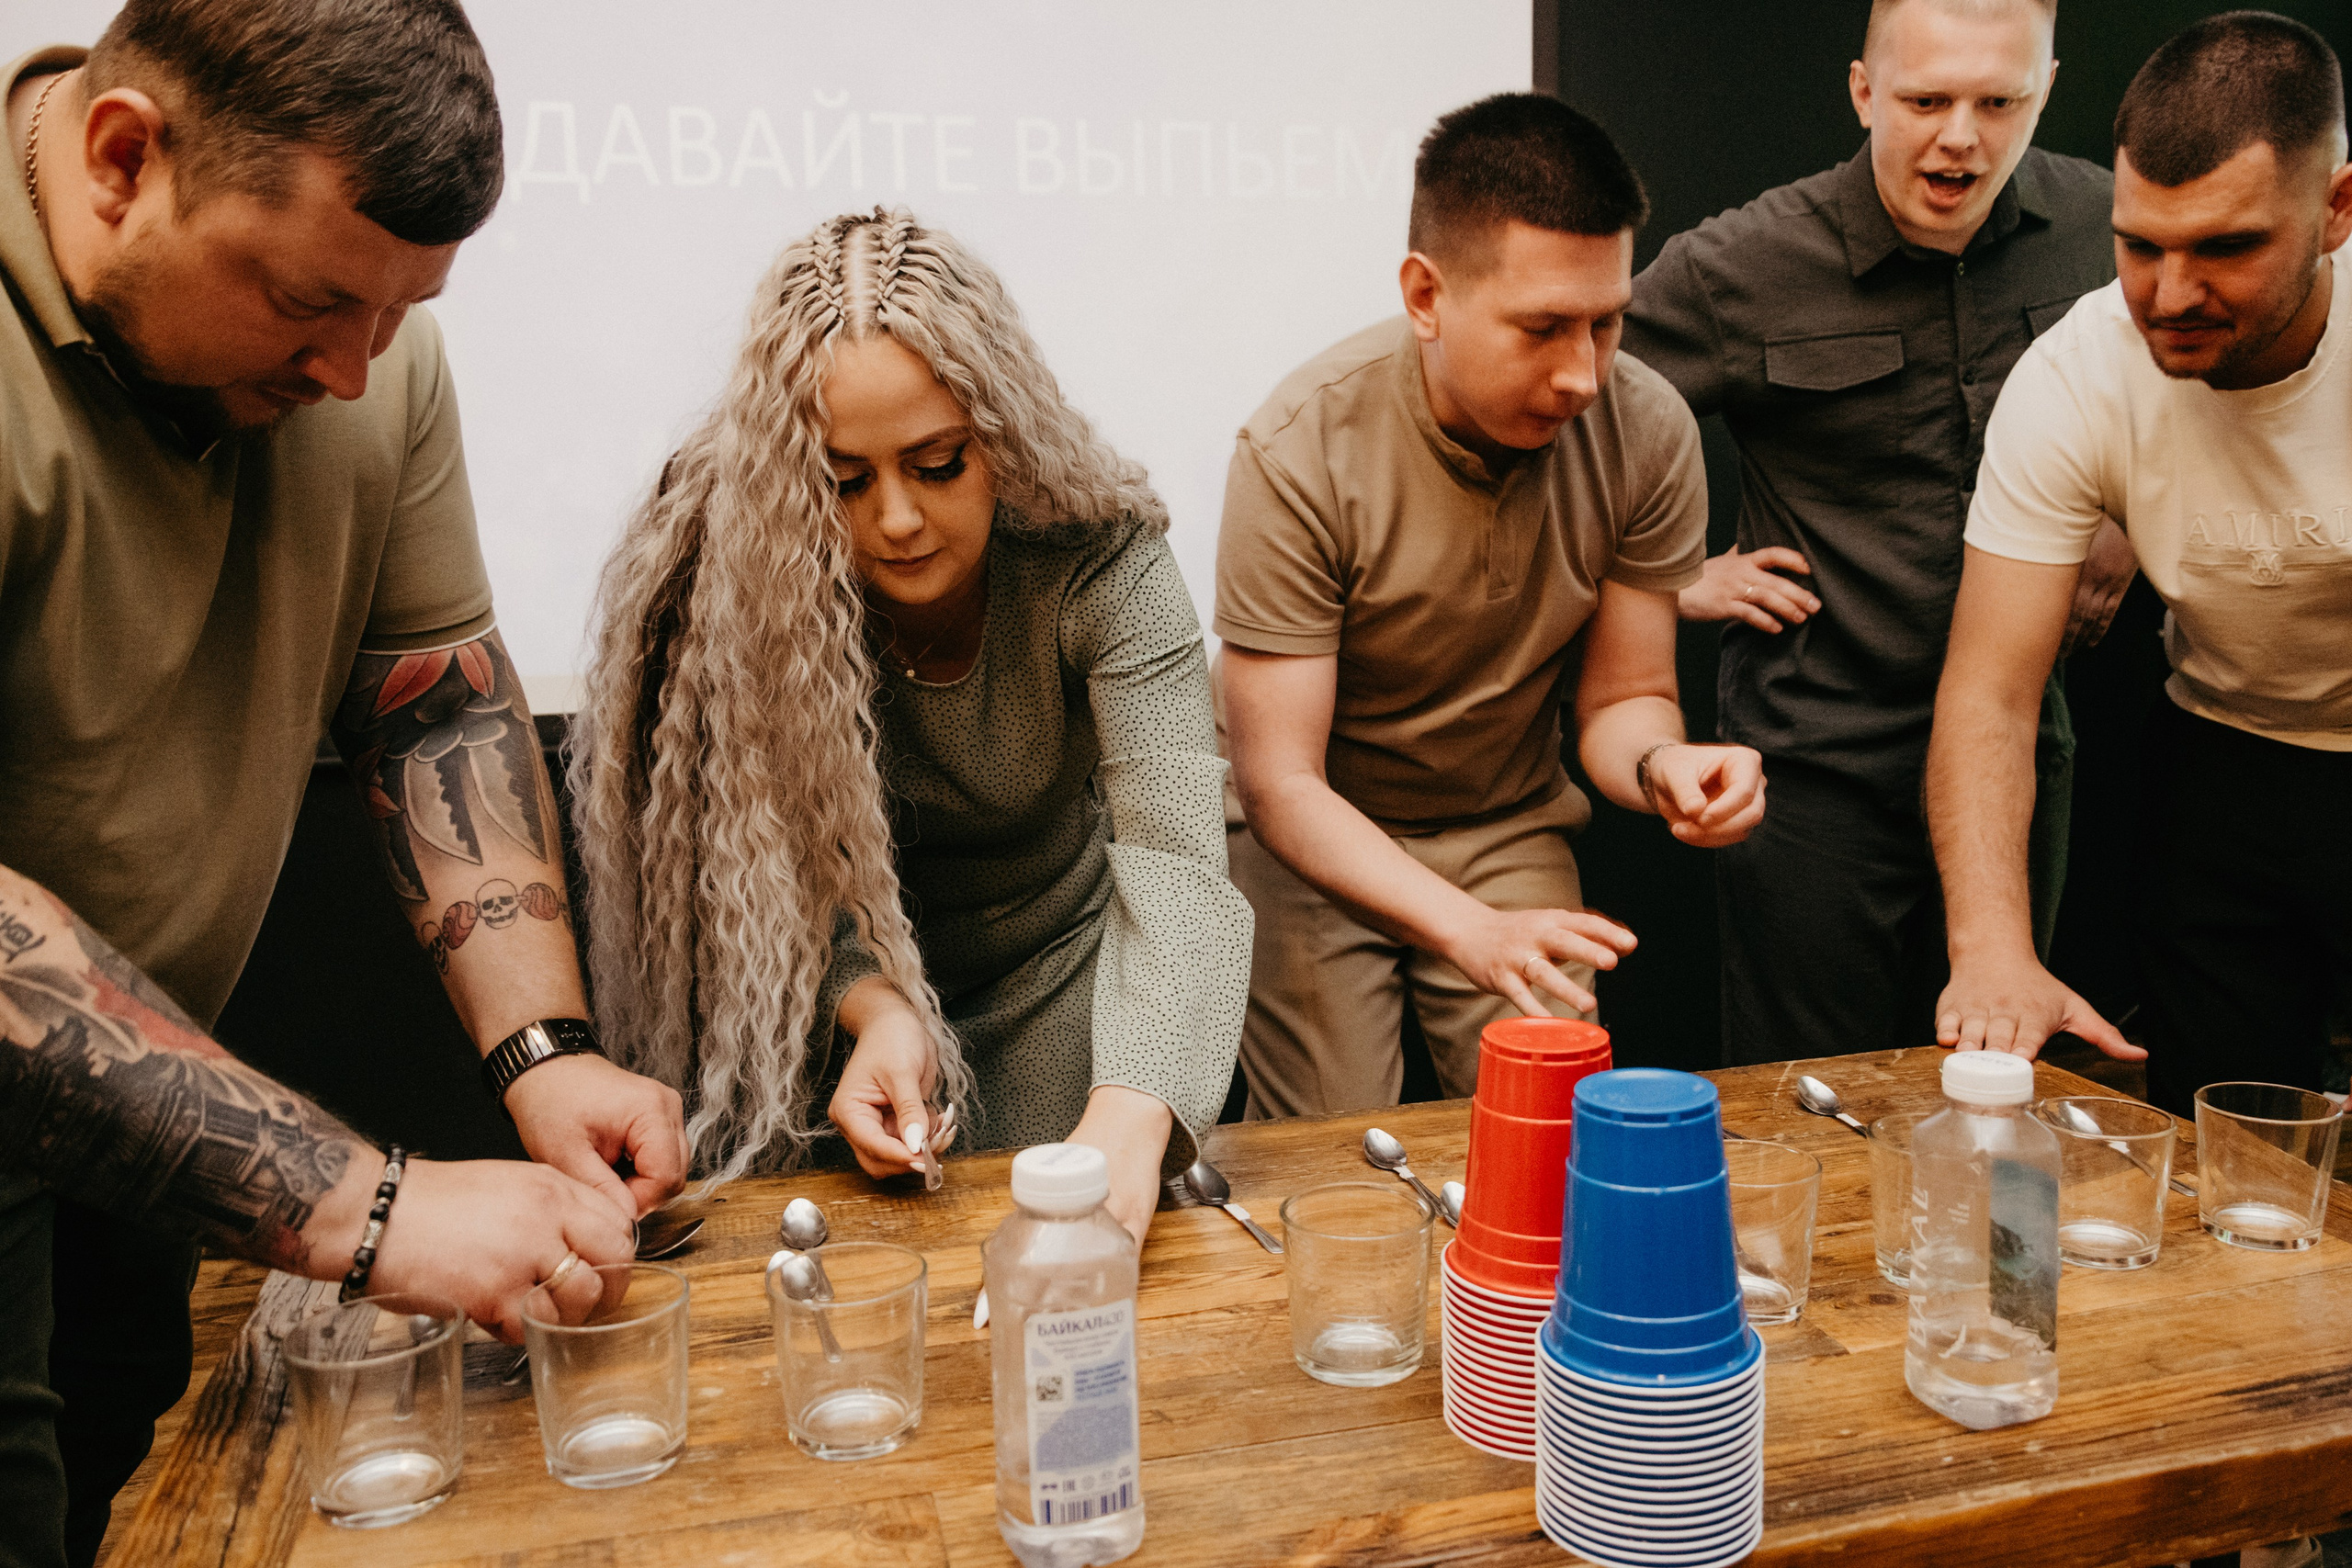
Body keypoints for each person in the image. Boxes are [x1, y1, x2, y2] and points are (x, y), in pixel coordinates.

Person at [0, 5, 691, 1562]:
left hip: (140, 1125)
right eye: (310, 301)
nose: (353, 368)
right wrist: (371, 1207)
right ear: (123, 159)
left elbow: (429, 711)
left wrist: (543, 1050)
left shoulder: (371, 358)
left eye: (400, 311)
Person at [570, 209, 1252, 1248]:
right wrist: (873, 1005)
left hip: (1069, 987)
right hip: (821, 1005)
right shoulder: (733, 568)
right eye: (843, 481)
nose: (894, 518)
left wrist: (1133, 1103)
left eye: (937, 465)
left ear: (1004, 434)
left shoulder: (1102, 557)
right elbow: (766, 873)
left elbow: (1178, 866)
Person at [1216, 95, 1765, 1120]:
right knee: (1336, 1143)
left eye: (1606, 324)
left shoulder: (1648, 428)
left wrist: (1665, 766)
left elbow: (1627, 700)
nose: (1582, 375)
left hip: (1505, 816)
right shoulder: (1298, 447)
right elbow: (1280, 782)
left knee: (1552, 1119)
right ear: (1426, 295)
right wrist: (1464, 928)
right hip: (1317, 831)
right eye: (1542, 328)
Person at [1622, 0, 2135, 1067]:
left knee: (1993, 1083)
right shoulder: (1742, 262)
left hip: (2021, 748)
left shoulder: (2110, 227)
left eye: (1998, 102)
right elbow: (1559, 401)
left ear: (2045, 90)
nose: (1961, 137)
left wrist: (2128, 518)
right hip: (1812, 768)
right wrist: (1670, 577)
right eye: (1926, 100)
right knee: (1808, 1100)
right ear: (1863, 92)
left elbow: (2204, 378)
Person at [1928, 12, 2350, 1115]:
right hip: (2225, 754)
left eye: (2225, 248)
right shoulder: (2077, 374)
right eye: (2139, 246)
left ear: (2336, 210)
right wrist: (1991, 952)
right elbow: (1989, 692)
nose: (2168, 294)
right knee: (2232, 1145)